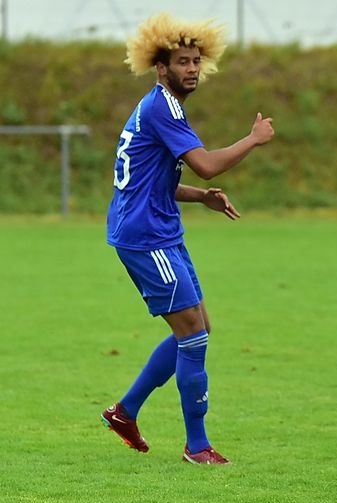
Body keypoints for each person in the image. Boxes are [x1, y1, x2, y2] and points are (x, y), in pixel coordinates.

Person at [100, 13, 275, 464]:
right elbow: (207, 164)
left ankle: (125, 412)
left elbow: (151, 180)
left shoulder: (162, 107)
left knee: (198, 329)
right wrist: (253, 139)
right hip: (147, 237)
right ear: (161, 67)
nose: (193, 68)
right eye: (183, 61)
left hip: (157, 229)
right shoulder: (162, 107)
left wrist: (200, 198)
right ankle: (197, 446)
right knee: (193, 335)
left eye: (197, 61)